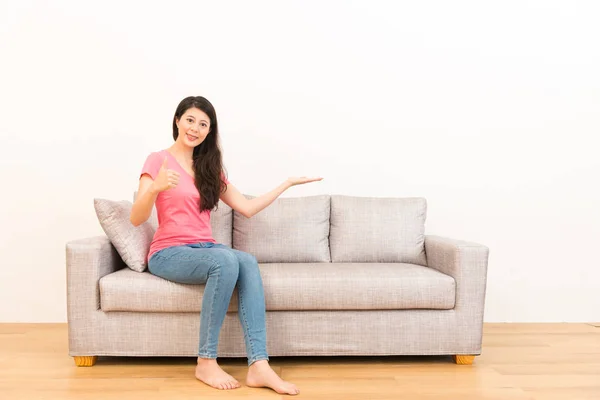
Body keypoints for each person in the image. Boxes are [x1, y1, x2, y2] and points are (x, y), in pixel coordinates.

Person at [130, 96, 322, 395]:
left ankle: (259, 365)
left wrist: (286, 184)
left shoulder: (209, 167)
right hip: (168, 252)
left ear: (210, 131)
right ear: (178, 120)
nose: (195, 128)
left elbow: (246, 207)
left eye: (203, 124)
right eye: (190, 120)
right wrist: (154, 188)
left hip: (204, 248)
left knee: (246, 260)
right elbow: (136, 218)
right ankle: (206, 361)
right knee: (226, 260)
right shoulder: (158, 160)